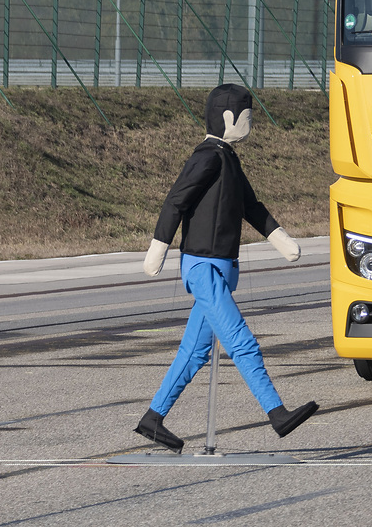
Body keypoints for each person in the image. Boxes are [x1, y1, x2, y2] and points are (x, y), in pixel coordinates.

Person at [135, 84, 318, 452]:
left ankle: (153, 419)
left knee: (194, 353)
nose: (250, 125)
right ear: (228, 118)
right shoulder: (207, 156)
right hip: (202, 267)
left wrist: (281, 239)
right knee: (242, 341)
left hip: (218, 269)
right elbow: (176, 201)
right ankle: (276, 413)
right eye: (247, 118)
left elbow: (251, 205)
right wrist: (159, 248)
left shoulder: (229, 159)